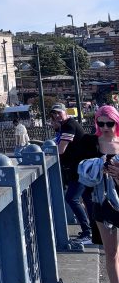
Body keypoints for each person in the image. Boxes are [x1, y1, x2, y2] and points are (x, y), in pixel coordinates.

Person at [76, 105, 119, 283]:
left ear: (116, 122)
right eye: (100, 123)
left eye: (109, 123)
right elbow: (81, 172)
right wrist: (98, 168)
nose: (104, 127)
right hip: (101, 203)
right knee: (111, 253)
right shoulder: (90, 142)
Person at [51, 102, 90, 244]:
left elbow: (60, 150)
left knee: (72, 198)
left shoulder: (69, 125)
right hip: (82, 168)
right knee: (86, 199)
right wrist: (57, 129)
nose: (56, 116)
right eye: (53, 114)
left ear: (65, 113)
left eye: (58, 113)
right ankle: (91, 231)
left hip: (80, 168)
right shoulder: (67, 125)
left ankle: (88, 232)